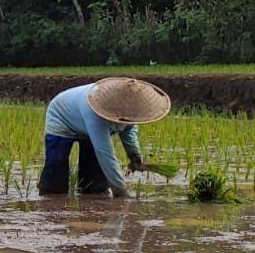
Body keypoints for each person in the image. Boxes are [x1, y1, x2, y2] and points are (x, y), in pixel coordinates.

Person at [37, 76, 171, 199]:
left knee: (95, 180)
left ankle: (92, 197)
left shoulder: (131, 110)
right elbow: (105, 152)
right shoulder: (95, 112)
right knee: (57, 165)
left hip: (86, 121)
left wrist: (134, 156)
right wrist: (121, 191)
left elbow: (128, 130)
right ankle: (50, 198)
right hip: (62, 117)